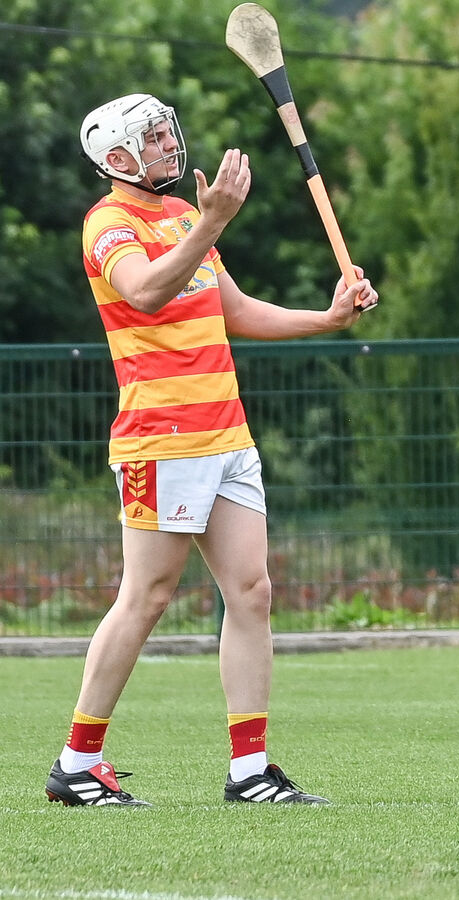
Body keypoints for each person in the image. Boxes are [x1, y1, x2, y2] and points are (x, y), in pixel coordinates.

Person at [44, 93, 379, 807]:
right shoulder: (110, 224)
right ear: (117, 157)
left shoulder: (180, 216)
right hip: (162, 440)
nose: (171, 144)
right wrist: (216, 221)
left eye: (168, 132)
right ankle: (77, 760)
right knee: (149, 595)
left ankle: (250, 770)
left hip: (227, 435)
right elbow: (146, 294)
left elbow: (232, 308)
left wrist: (326, 318)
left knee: (251, 592)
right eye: (154, 138)